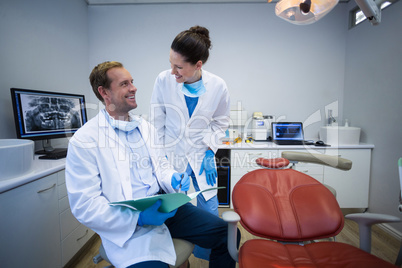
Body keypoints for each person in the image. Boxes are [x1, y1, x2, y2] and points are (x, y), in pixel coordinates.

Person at [65, 61, 236, 268]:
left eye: (132, 82)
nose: (134, 88)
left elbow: (160, 166)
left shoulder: (144, 127)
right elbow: (85, 206)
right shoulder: (85, 140)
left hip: (165, 208)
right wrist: (139, 218)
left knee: (227, 234)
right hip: (128, 220)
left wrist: (172, 176)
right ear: (104, 92)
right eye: (124, 84)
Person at [150, 26, 230, 260]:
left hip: (200, 154)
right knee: (174, 209)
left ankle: (208, 257)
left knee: (210, 207)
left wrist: (209, 150)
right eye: (171, 64)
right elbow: (156, 122)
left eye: (179, 67)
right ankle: (177, 258)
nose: (173, 71)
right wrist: (160, 158)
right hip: (171, 155)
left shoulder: (218, 86)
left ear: (198, 65)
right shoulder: (163, 80)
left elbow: (221, 121)